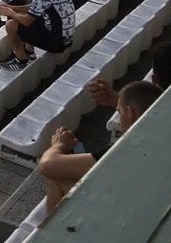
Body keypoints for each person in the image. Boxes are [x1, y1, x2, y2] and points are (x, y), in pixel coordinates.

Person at [38, 81, 161, 215]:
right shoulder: (159, 133)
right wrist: (115, 100)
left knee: (57, 177)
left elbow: (47, 166)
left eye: (119, 112)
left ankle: (53, 232)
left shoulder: (126, 150)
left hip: (122, 211)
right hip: (146, 198)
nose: (119, 120)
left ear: (130, 113)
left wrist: (58, 145)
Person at [0, 0, 75, 70]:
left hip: (57, 43)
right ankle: (29, 52)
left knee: (11, 24)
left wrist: (11, 13)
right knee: (29, 15)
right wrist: (13, 8)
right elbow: (35, 7)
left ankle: (20, 61)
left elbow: (27, 22)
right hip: (66, 38)